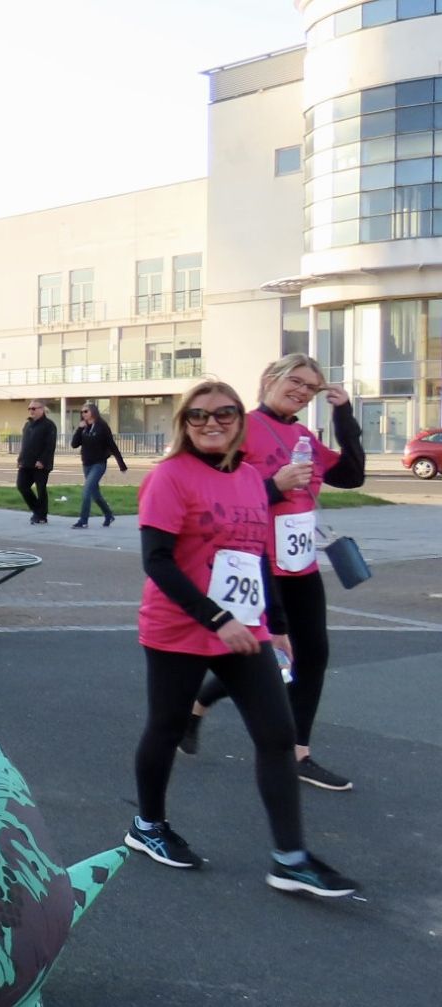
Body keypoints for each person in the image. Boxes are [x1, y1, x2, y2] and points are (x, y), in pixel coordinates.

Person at [126, 380, 357, 898]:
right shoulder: (169, 477)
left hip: (244, 628)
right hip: (180, 627)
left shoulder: (254, 478)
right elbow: (156, 561)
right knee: (164, 728)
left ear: (240, 422)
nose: (212, 423)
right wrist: (215, 618)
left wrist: (273, 626)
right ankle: (147, 826)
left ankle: (290, 858)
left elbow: (256, 557)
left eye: (225, 414)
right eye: (199, 416)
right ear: (184, 424)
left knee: (276, 735)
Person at [185, 354, 367, 792]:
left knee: (312, 656)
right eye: (297, 382)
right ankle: (197, 705)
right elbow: (217, 496)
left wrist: (344, 415)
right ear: (270, 379)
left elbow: (353, 474)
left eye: (312, 388)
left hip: (300, 563)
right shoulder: (241, 428)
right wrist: (274, 485)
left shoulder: (304, 434)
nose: (303, 392)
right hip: (255, 562)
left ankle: (299, 753)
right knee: (263, 658)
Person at [69, 401, 127, 528]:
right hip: (86, 464)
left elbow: (112, 445)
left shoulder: (102, 426)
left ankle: (83, 521)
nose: (83, 414)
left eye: (86, 411)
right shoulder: (84, 427)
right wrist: (79, 429)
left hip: (99, 464)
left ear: (93, 412)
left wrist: (121, 464)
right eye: (82, 412)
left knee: (86, 491)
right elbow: (74, 444)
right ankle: (109, 515)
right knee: (95, 494)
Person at [16, 400, 57, 525]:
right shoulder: (27, 425)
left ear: (42, 409)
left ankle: (41, 515)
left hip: (41, 465)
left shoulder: (49, 425)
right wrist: (20, 459)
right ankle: (37, 510)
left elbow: (50, 446)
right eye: (29, 409)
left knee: (41, 489)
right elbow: (25, 444)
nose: (31, 411)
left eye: (34, 408)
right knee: (22, 485)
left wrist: (42, 460)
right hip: (26, 463)